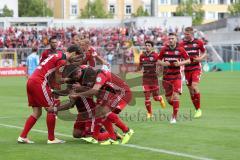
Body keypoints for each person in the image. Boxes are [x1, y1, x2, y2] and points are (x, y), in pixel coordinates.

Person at [17, 45, 81, 144]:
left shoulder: (58, 54)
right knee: (52, 108)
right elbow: (58, 80)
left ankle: (23, 136)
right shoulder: (62, 60)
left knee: (37, 112)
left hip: (31, 81)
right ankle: (51, 139)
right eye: (77, 57)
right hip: (39, 82)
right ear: (74, 53)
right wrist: (71, 79)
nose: (76, 60)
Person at [69, 65, 134, 144]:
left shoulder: (101, 75)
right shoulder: (89, 73)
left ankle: (127, 130)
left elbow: (94, 91)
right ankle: (109, 138)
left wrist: (78, 95)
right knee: (99, 112)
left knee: (104, 111)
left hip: (122, 93)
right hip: (110, 93)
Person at [158, 33, 190, 124]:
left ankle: (174, 117)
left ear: (176, 39)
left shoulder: (180, 49)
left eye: (172, 38)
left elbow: (188, 60)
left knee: (176, 96)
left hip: (177, 76)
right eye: (169, 38)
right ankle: (176, 107)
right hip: (166, 77)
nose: (170, 40)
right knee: (169, 100)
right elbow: (158, 60)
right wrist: (164, 64)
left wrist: (179, 64)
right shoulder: (164, 49)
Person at [179, 27, 207, 118]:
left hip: (196, 68)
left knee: (194, 86)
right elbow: (178, 55)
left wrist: (200, 58)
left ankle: (199, 109)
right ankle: (196, 109)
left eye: (187, 34)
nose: (186, 36)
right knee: (191, 91)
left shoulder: (199, 42)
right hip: (187, 69)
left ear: (192, 34)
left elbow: (204, 52)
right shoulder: (181, 44)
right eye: (185, 34)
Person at [137, 40, 165, 118]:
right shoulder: (142, 56)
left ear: (152, 47)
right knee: (147, 97)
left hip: (154, 79)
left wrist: (160, 72)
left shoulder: (156, 55)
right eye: (146, 45)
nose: (147, 47)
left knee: (155, 97)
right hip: (145, 79)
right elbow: (140, 66)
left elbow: (160, 65)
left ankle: (160, 98)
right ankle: (149, 113)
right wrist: (137, 69)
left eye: (149, 45)